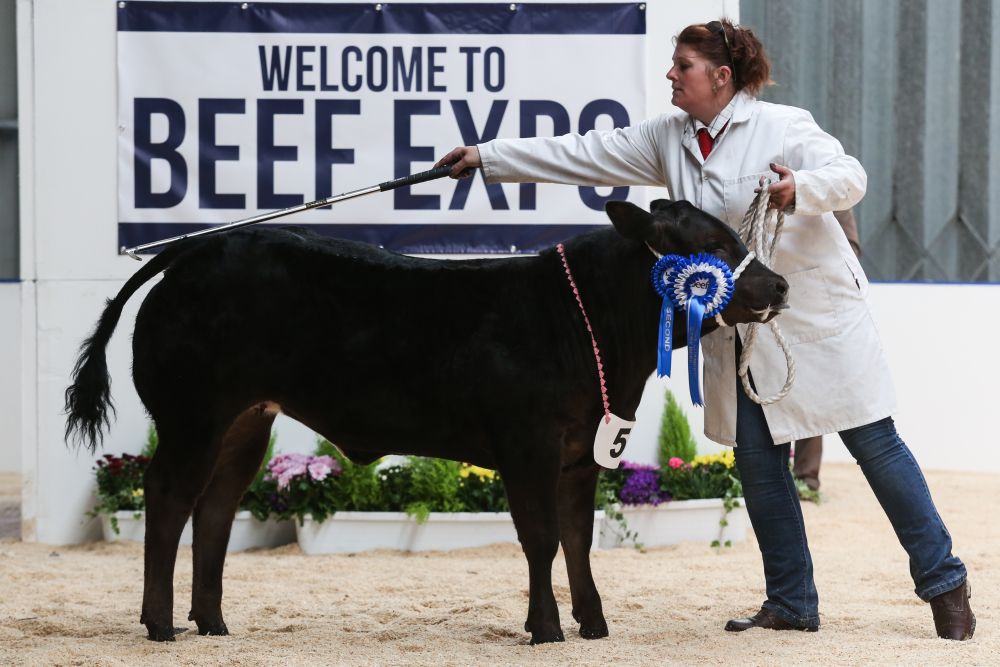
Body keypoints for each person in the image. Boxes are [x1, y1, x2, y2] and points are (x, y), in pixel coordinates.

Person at [436, 18, 975, 640]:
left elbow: (851, 175)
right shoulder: (670, 137)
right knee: (757, 460)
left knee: (875, 447)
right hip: (735, 323)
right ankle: (792, 602)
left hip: (813, 313)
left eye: (683, 65)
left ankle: (944, 582)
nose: (671, 75)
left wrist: (800, 185)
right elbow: (583, 150)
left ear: (721, 77)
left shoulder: (784, 125)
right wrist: (487, 156)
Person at [791, 208, 862, 492]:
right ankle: (772, 479)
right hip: (765, 302)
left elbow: (851, 248)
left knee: (811, 394)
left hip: (811, 305)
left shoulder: (829, 189)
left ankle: (806, 477)